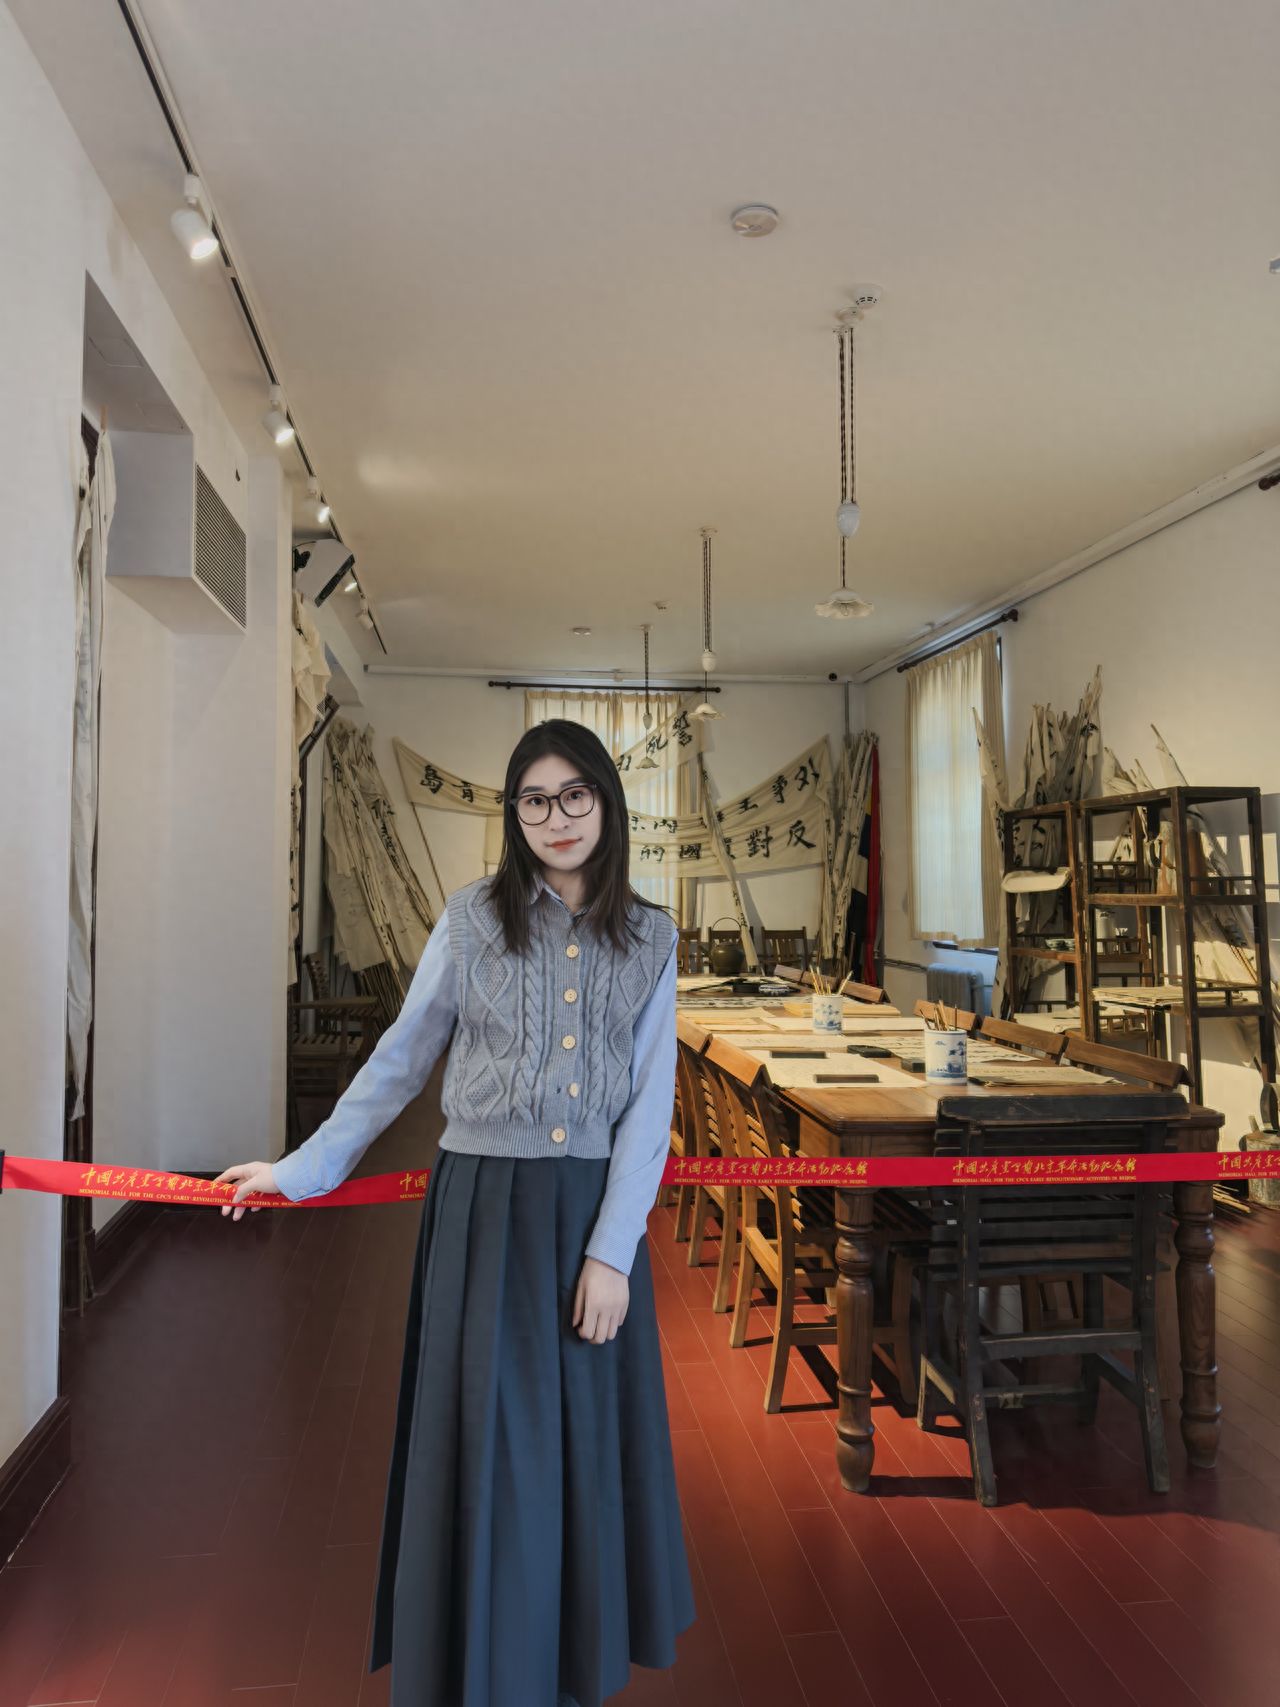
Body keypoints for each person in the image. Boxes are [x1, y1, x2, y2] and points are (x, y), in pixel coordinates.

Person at [215, 719, 696, 1707]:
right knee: (491, 1445)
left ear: (606, 803)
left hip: (589, 1221)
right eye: (534, 800)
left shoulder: (652, 938)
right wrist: (303, 1168)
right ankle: (484, 1665)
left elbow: (650, 1109)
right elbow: (401, 1057)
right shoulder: (472, 920)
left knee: (579, 1450)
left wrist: (613, 1252)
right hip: (482, 1216)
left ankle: (567, 1662)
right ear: (513, 815)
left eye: (575, 795)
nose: (556, 817)